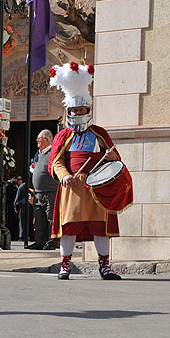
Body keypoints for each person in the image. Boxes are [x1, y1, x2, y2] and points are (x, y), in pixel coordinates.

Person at [48, 62, 126, 280]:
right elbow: (56, 161)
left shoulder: (99, 133)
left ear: (88, 109)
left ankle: (105, 266)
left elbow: (114, 159)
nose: (77, 112)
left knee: (100, 226)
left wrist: (112, 156)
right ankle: (65, 265)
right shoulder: (62, 135)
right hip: (72, 187)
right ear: (68, 111)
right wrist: (64, 176)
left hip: (95, 188)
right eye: (74, 110)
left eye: (81, 109)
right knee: (69, 226)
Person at [27, 129, 59, 250]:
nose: (37, 140)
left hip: (50, 191)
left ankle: (52, 242)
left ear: (46, 139)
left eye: (39, 138)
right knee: (39, 217)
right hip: (38, 192)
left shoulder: (53, 153)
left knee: (51, 217)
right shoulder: (38, 154)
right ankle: (40, 241)